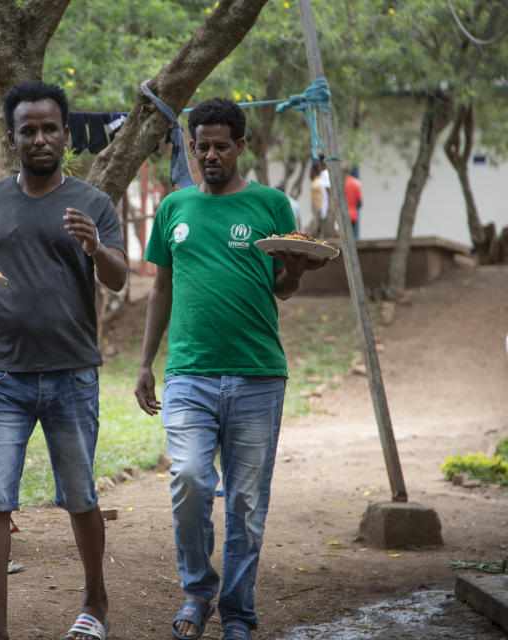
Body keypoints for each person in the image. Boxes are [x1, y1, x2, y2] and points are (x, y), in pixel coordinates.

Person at [133, 97, 330, 640]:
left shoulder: (272, 205)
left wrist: (295, 272)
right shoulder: (175, 208)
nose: (211, 155)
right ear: (191, 149)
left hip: (258, 374)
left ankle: (238, 613)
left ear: (241, 146)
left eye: (222, 145)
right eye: (202, 147)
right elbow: (162, 288)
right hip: (189, 374)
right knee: (190, 479)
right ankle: (198, 592)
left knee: (246, 501)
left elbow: (282, 289)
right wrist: (146, 362)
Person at [0, 80, 127, 640]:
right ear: (13, 137)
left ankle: (95, 601)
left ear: (66, 135)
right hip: (1, 377)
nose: (40, 138)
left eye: (50, 128)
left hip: (71, 373)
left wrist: (95, 246)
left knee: (79, 495)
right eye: (29, 129)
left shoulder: (93, 204)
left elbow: (118, 278)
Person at [344, 166, 363, 237]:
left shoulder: (341, 182)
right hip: (353, 214)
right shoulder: (356, 182)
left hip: (342, 214)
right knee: (351, 235)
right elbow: (360, 202)